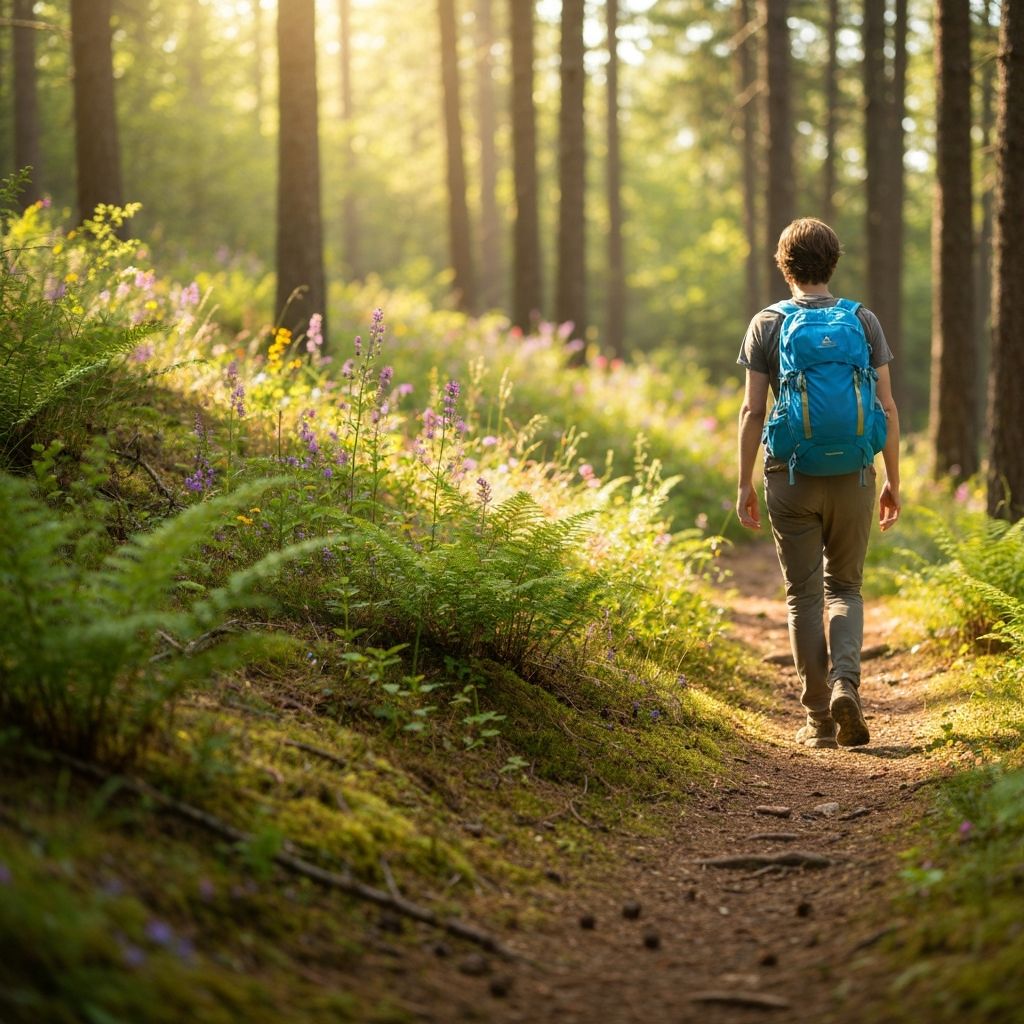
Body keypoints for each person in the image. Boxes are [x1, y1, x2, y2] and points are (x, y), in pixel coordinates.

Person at [735, 218, 902, 749]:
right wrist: (892, 478)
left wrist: (743, 482)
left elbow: (751, 410)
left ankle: (818, 721)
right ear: (833, 262)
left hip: (791, 476)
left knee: (803, 595)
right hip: (854, 473)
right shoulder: (863, 320)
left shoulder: (767, 323)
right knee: (845, 588)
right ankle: (844, 684)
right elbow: (887, 406)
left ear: (784, 264)